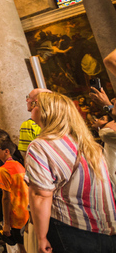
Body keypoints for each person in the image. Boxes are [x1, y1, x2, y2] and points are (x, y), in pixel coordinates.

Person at [24, 92, 116, 252]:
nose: (31, 108)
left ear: (47, 111)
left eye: (35, 104)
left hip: (72, 226)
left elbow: (41, 195)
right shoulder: (87, 143)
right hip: (106, 228)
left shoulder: (41, 146)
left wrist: (41, 236)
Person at [0, 138, 28, 253]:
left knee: (23, 249)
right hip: (26, 211)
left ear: (6, 151)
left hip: (16, 214)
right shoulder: (19, 165)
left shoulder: (4, 169)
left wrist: (6, 223)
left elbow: (6, 198)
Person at [18, 89, 50, 155]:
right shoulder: (58, 121)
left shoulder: (28, 125)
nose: (27, 100)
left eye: (29, 97)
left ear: (36, 101)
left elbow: (28, 154)